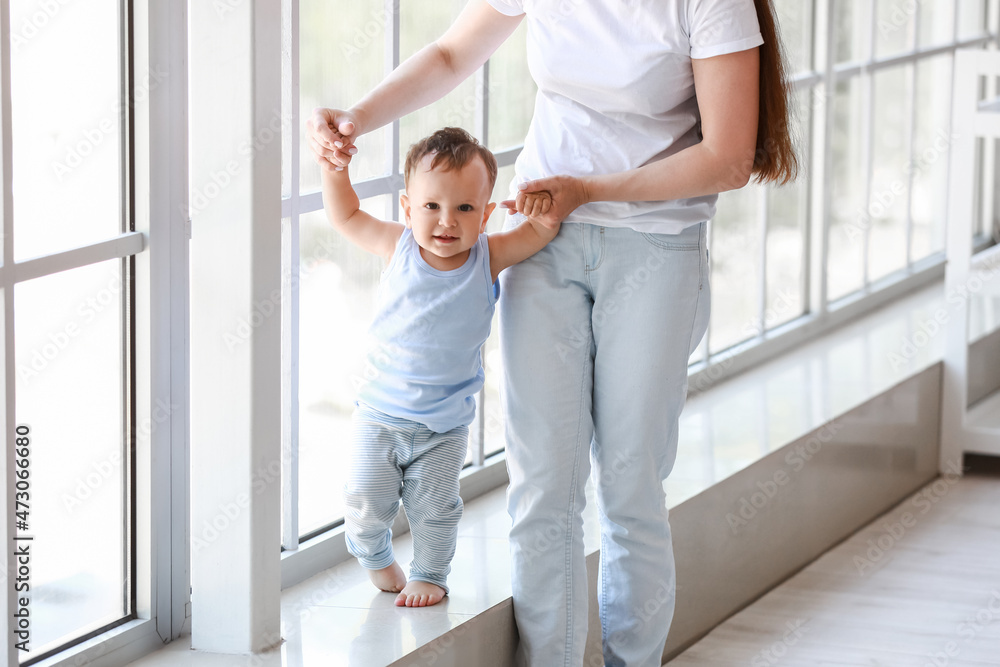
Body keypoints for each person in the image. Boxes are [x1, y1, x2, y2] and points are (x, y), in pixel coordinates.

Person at [308, 0, 796, 661]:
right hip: (542, 241)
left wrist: (590, 189)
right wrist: (357, 118)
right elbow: (453, 54)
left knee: (630, 482)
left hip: (654, 246)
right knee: (543, 483)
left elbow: (729, 157)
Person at [318, 126, 557, 608]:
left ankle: (429, 572)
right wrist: (335, 170)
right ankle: (374, 555)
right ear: (408, 208)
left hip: (443, 428)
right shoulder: (399, 246)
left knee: (436, 510)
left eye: (465, 209)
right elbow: (344, 214)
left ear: (486, 215)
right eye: (432, 207)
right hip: (380, 414)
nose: (447, 222)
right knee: (365, 500)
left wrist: (541, 208)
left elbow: (539, 233)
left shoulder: (487, 257)